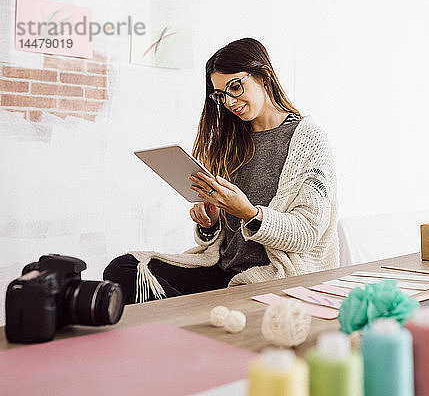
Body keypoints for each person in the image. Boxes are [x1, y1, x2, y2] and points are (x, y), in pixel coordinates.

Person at [104, 38, 338, 304]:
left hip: (271, 276)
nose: (229, 101)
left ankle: (190, 320)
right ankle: (197, 321)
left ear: (265, 75)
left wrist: (249, 213)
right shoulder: (232, 140)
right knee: (123, 269)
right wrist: (210, 224)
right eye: (221, 94)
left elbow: (306, 233)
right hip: (224, 270)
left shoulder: (308, 139)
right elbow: (224, 240)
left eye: (235, 86)